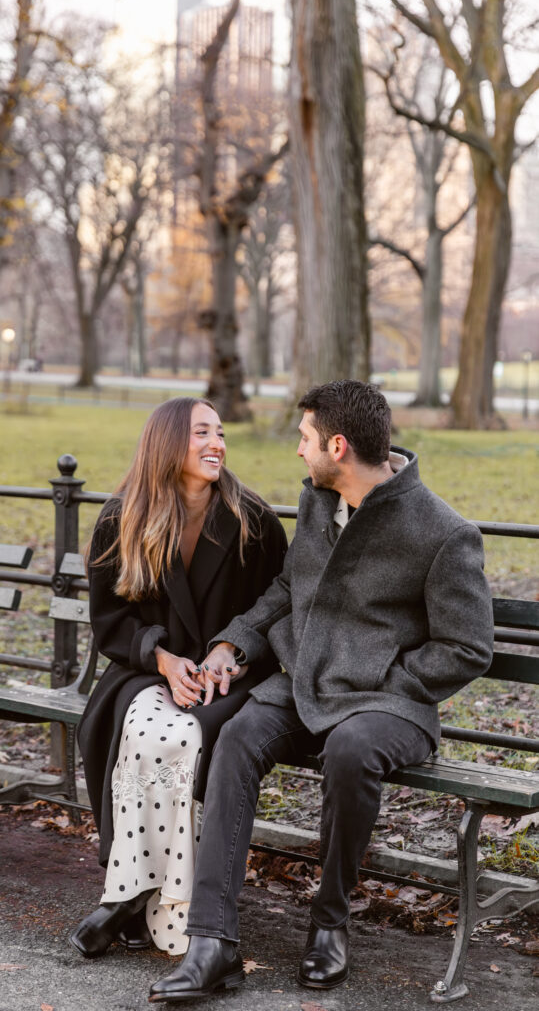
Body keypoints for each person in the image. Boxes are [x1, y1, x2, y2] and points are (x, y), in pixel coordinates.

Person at [149, 380, 494, 1002]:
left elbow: (467, 648)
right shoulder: (318, 502)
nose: (298, 452)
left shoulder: (444, 531)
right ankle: (211, 942)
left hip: (390, 705)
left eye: (305, 439)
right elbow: (286, 591)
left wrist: (388, 680)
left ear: (338, 445)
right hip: (304, 686)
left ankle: (330, 921)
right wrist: (234, 643)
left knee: (351, 749)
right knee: (237, 734)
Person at [70, 396, 288, 960]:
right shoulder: (124, 517)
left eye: (220, 432)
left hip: (228, 679)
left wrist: (229, 654)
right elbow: (109, 619)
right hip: (146, 670)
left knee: (182, 738)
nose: (217, 443)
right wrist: (162, 658)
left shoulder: (252, 521)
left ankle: (139, 900)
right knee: (142, 730)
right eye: (201, 433)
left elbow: (278, 607)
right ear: (168, 442)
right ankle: (132, 891)